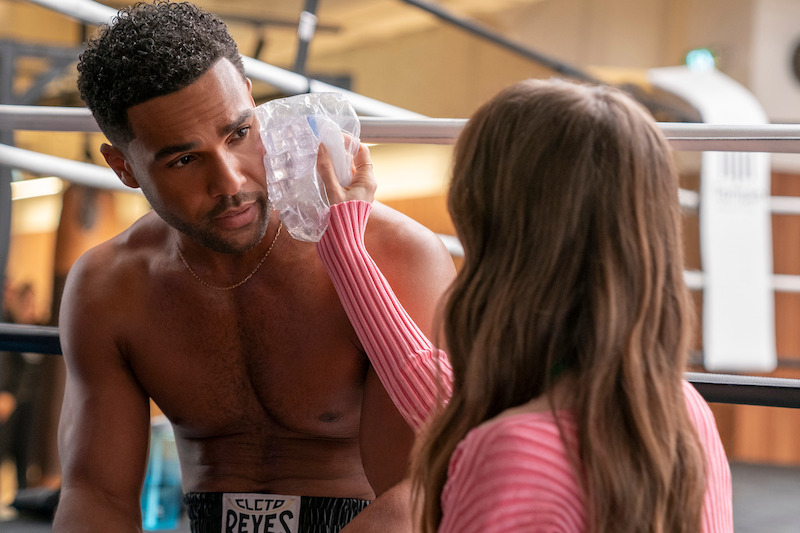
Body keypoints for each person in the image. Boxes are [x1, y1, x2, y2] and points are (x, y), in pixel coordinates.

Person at [53, 2, 456, 532]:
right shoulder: (111, 287)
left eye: (239, 134)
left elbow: (416, 492)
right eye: (184, 159)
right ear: (123, 166)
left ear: (252, 101)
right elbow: (97, 495)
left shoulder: (392, 253)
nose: (231, 183)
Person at [313, 79, 734, 531]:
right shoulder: (683, 414)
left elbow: (501, 444)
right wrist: (347, 249)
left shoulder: (511, 455)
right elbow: (443, 396)